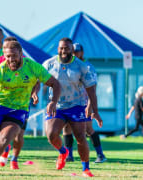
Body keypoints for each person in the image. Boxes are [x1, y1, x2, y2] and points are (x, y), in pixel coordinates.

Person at [0, 41, 61, 180]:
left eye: (14, 56)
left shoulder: (33, 67)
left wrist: (53, 102)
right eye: (7, 56)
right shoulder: (0, 70)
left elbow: (55, 83)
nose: (11, 59)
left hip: (18, 110)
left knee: (3, 141)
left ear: (21, 54)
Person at [0, 36, 40, 170]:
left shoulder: (27, 63)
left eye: (9, 48)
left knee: (18, 135)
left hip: (20, 105)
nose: (6, 52)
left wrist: (34, 93)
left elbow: (37, 81)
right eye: (4, 49)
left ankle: (14, 159)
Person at [42, 38, 103, 177]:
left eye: (68, 48)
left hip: (77, 106)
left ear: (73, 51)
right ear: (58, 49)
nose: (64, 51)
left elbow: (92, 90)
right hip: (56, 105)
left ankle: (85, 169)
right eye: (61, 48)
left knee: (81, 136)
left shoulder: (82, 67)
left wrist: (94, 110)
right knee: (51, 135)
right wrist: (34, 92)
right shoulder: (49, 64)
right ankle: (63, 152)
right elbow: (36, 78)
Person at [62, 43, 107, 163]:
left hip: (84, 102)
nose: (75, 53)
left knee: (88, 128)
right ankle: (69, 155)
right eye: (73, 51)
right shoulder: (69, 65)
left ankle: (100, 154)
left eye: (77, 51)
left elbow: (93, 87)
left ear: (82, 52)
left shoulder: (88, 67)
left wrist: (90, 105)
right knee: (67, 128)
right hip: (69, 103)